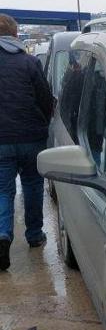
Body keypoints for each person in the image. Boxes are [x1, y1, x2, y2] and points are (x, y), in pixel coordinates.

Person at [0, 14, 55, 271]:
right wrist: (42, 122)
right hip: (32, 135)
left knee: (3, 190)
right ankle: (34, 235)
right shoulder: (30, 62)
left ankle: (2, 235)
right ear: (15, 35)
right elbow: (45, 98)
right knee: (33, 185)